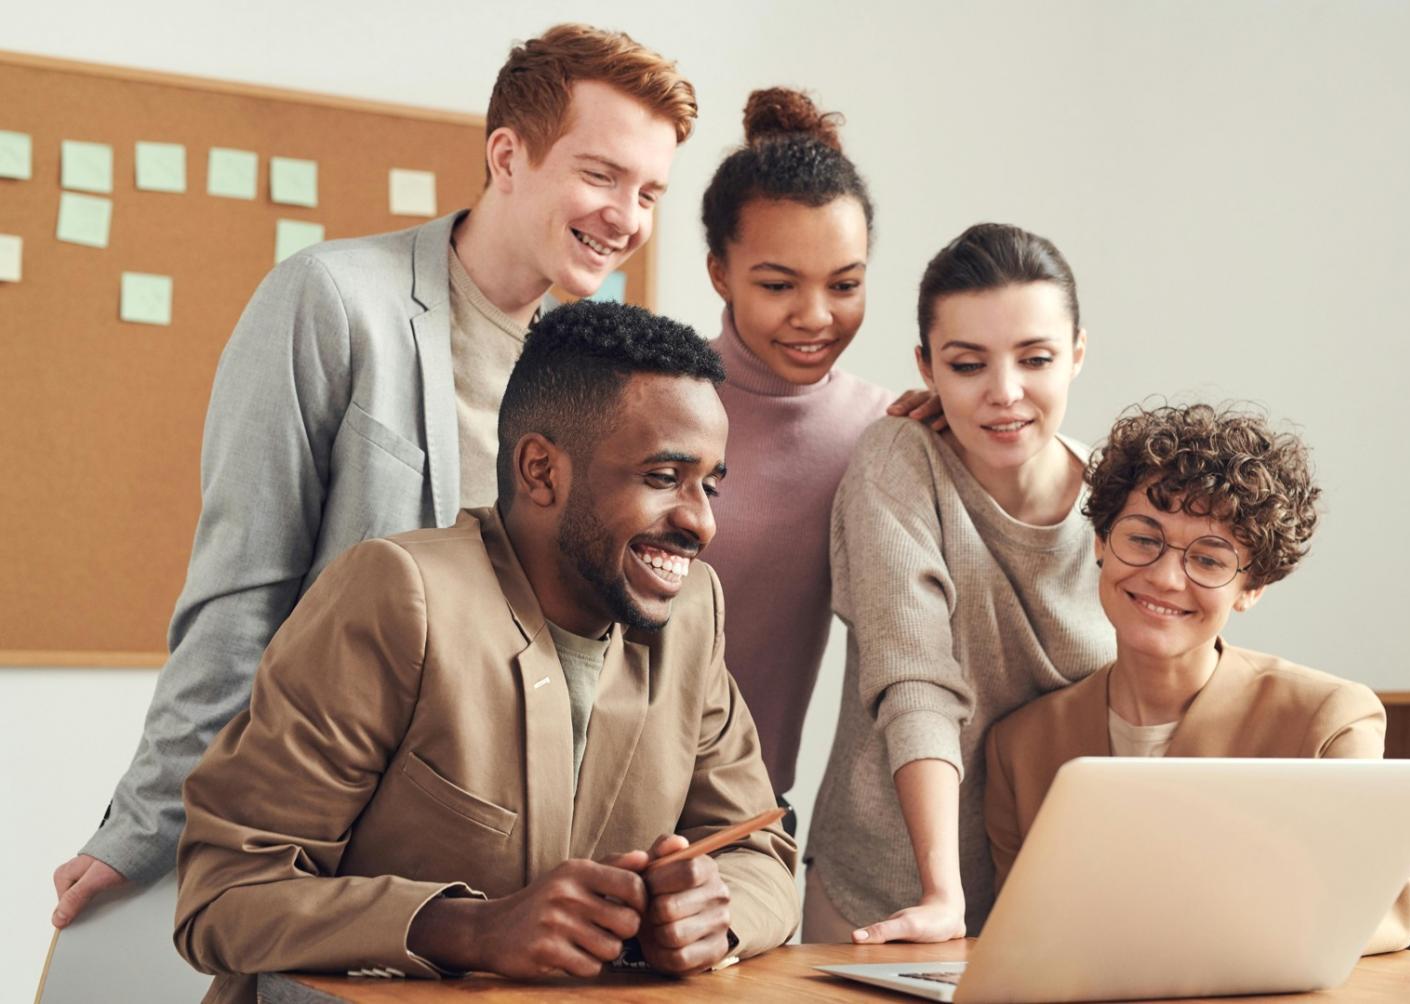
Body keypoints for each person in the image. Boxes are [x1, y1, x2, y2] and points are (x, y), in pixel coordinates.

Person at [53, 24, 697, 927]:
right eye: (601, 175)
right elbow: (243, 592)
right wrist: (146, 827)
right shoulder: (332, 301)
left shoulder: (597, 375)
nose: (627, 218)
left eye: (650, 191)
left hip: (523, 865)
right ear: (507, 155)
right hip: (335, 851)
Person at [173, 300, 799, 1002]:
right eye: (662, 479)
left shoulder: (691, 615)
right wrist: (469, 929)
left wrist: (713, 916)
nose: (701, 522)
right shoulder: (399, 597)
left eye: (709, 484)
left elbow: (758, 850)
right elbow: (223, 897)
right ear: (540, 471)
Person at [983, 402, 1410, 955]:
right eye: (1143, 539)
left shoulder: (1327, 720)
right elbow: (1022, 936)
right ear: (1100, 543)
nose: (1166, 578)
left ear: (1252, 587)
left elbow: (1391, 902)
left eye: (1211, 560)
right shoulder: (1020, 746)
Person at [804, 224, 1116, 943]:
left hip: (1059, 903)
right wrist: (942, 895)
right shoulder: (898, 462)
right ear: (926, 368)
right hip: (890, 894)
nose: (1004, 394)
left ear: (1075, 354)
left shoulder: (1120, 499)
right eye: (968, 365)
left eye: (1034, 359)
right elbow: (915, 679)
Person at [697, 87, 892, 832]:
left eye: (844, 284)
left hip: (748, 815)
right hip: (590, 798)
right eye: (777, 285)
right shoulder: (652, 401)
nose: (815, 316)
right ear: (719, 271)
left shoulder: (882, 430)